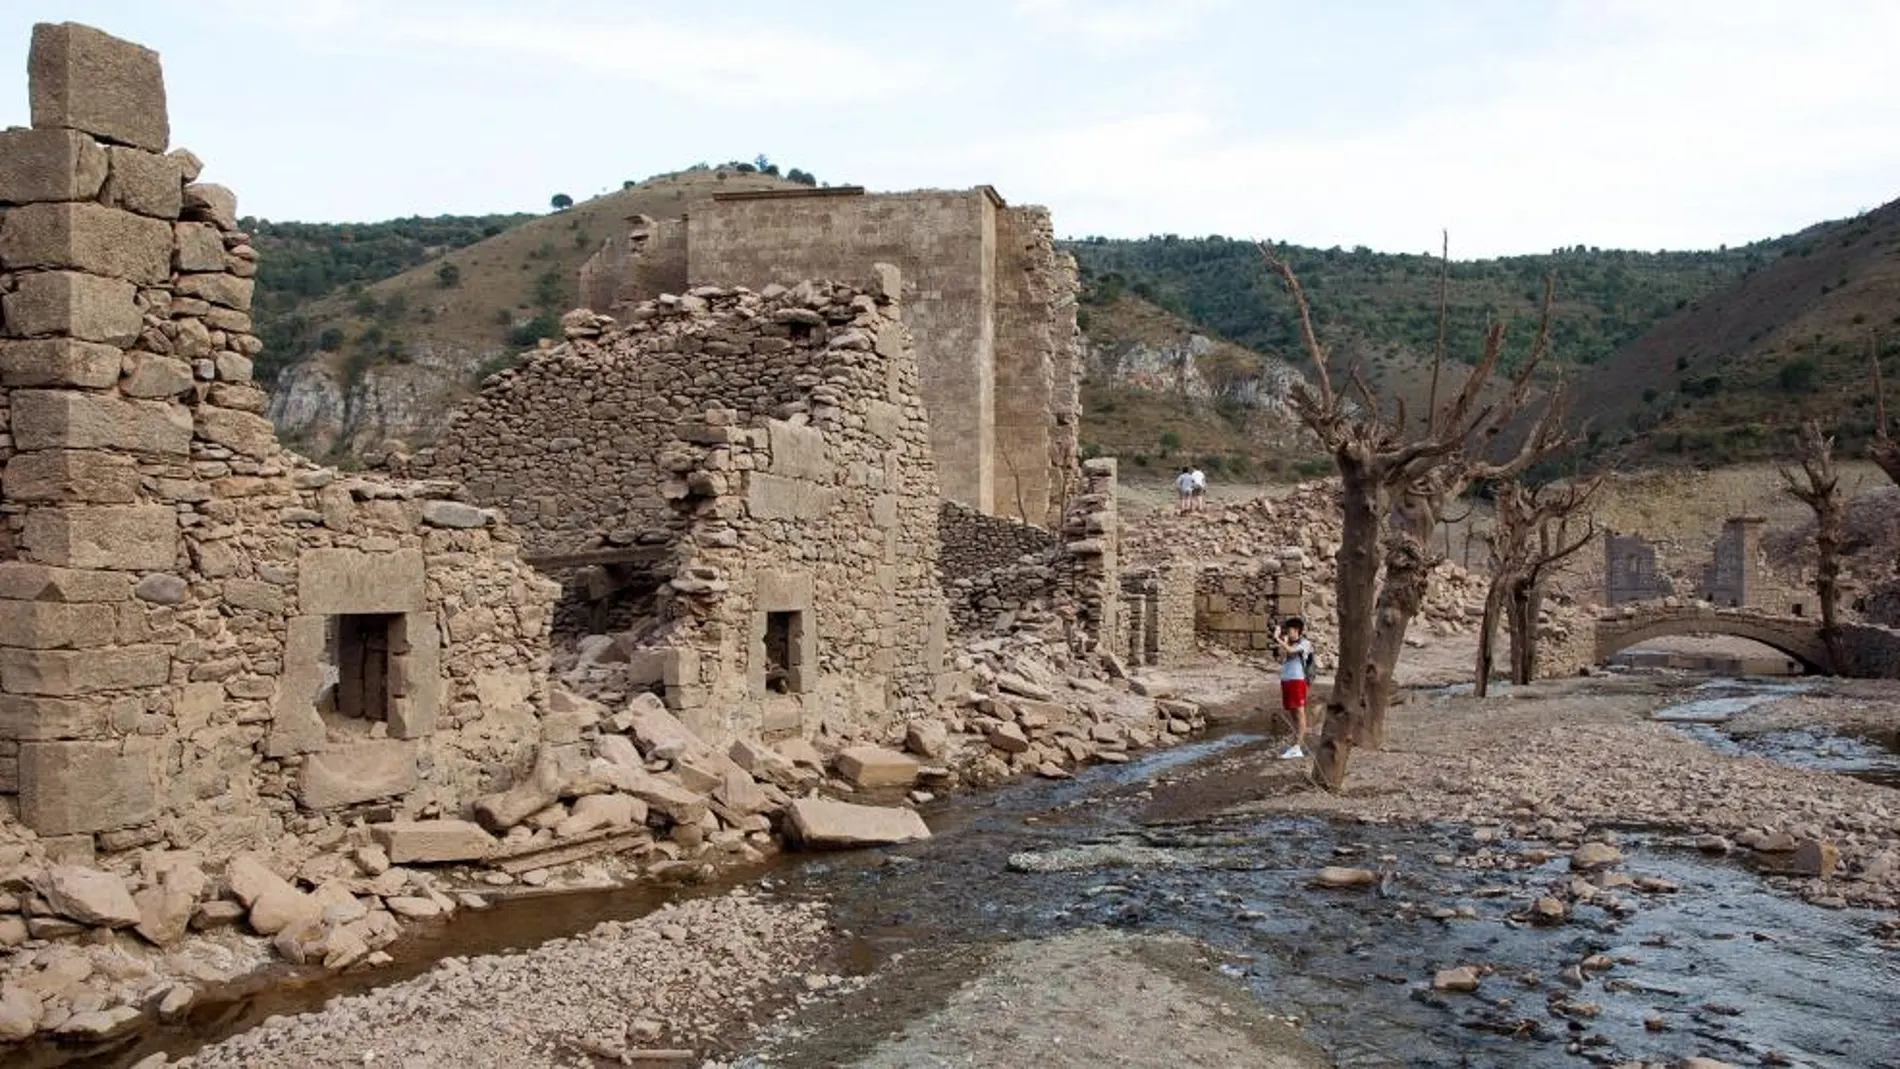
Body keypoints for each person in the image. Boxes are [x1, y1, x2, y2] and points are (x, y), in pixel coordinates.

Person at [1274, 617, 1314, 759]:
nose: (1287, 632)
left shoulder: (1305, 643)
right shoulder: (1287, 643)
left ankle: (1298, 747)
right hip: (1286, 680)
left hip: (1297, 680)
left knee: (1299, 712)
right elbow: (1281, 658)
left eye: (1289, 629)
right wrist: (1282, 643)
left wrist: (1277, 639)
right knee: (1292, 713)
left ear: (1296, 630)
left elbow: (1292, 651)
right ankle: (1295, 744)